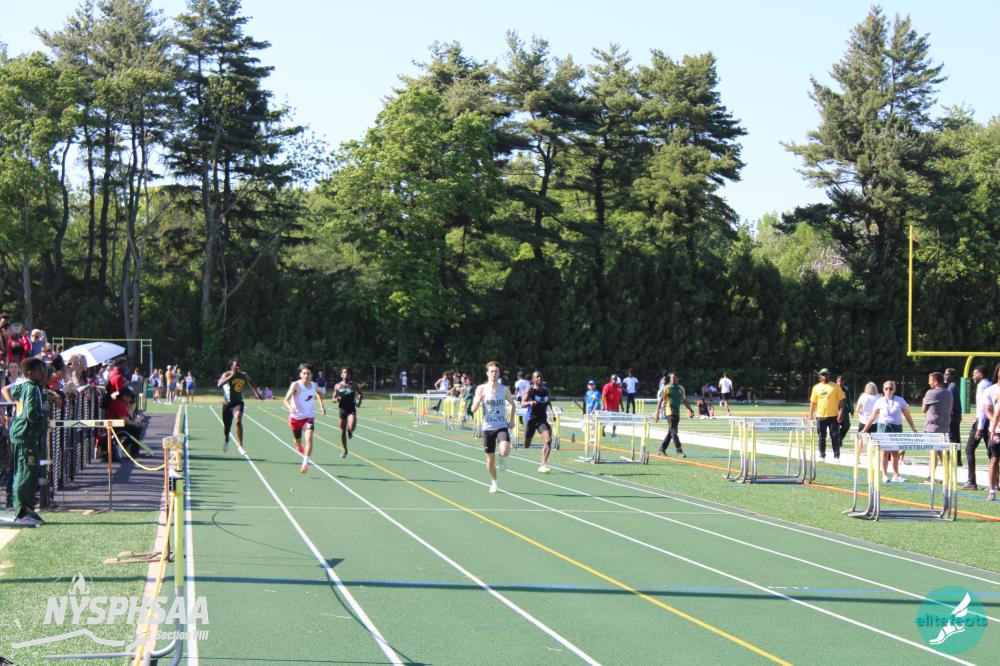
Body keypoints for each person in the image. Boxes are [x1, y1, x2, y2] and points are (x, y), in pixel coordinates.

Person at [9, 358, 47, 527]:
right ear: (30, 373)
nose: (43, 373)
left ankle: (24, 509)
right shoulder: (31, 388)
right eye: (40, 371)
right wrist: (43, 421)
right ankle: (22, 512)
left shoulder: (23, 386)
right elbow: (31, 414)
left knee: (23, 471)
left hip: (21, 433)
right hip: (25, 435)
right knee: (26, 473)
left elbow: (10, 392)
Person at [470, 361, 517, 493]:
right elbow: (473, 409)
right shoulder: (481, 389)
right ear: (487, 373)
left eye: (496, 371)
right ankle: (494, 481)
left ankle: (501, 458)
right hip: (488, 428)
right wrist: (479, 400)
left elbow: (513, 405)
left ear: (499, 373)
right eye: (491, 371)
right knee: (490, 461)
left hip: (501, 425)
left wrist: (512, 421)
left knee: (505, 450)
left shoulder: (504, 389)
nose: (494, 374)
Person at [861, 380, 917, 483]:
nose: (888, 390)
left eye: (891, 388)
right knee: (884, 453)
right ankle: (884, 475)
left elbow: (907, 415)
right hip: (883, 428)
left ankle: (896, 475)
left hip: (896, 427)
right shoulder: (879, 401)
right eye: (886, 388)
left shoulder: (900, 400)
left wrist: (913, 428)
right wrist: (865, 429)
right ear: (883, 390)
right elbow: (873, 416)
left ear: (894, 389)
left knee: (895, 453)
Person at [283, 364, 327, 473]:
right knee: (298, 441)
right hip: (296, 418)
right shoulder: (295, 385)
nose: (306, 375)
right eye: (304, 373)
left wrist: (322, 406)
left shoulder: (314, 385)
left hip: (308, 418)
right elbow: (285, 400)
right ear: (300, 374)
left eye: (308, 373)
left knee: (309, 439)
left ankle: (305, 463)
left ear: (312, 375)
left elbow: (318, 394)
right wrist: (290, 408)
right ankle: (298, 445)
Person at [217, 359, 262, 455]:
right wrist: (232, 376)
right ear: (231, 366)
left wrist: (256, 393)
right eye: (235, 365)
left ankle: (240, 446)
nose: (237, 367)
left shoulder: (243, 375)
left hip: (238, 402)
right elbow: (219, 384)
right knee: (227, 427)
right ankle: (227, 440)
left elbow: (251, 382)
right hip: (227, 403)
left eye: (238, 365)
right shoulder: (226, 374)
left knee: (238, 420)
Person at [807, 368, 846, 462]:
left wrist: (841, 411)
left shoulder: (835, 386)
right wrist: (810, 413)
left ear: (829, 375)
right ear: (820, 376)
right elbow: (813, 402)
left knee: (835, 436)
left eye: (826, 374)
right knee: (821, 436)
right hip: (820, 416)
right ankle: (822, 456)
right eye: (823, 375)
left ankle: (836, 456)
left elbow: (842, 400)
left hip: (833, 416)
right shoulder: (816, 387)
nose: (824, 376)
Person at [521, 370, 556, 474]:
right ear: (533, 379)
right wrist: (530, 402)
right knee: (526, 444)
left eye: (540, 377)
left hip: (542, 420)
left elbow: (548, 402)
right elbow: (522, 404)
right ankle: (527, 439)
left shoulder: (546, 391)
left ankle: (543, 465)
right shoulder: (530, 390)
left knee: (548, 440)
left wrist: (552, 413)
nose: (539, 378)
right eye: (537, 377)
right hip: (531, 419)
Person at [921, 371, 953, 483]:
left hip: (933, 427)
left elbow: (923, 409)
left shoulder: (931, 393)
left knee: (933, 453)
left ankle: (931, 476)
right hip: (945, 426)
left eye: (930, 380)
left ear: (935, 381)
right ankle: (948, 476)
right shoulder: (948, 392)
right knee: (943, 453)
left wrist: (924, 400)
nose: (929, 382)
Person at [964, 366, 992, 490]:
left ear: (980, 374)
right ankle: (995, 481)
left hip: (982, 421)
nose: (973, 376)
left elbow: (982, 408)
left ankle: (971, 481)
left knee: (969, 449)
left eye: (975, 374)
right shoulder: (990, 384)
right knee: (992, 452)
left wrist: (980, 427)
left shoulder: (981, 386)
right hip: (990, 421)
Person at [655, 372, 694, 457]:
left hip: (677, 413)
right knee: (673, 431)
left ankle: (662, 449)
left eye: (674, 378)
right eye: (671, 378)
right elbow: (660, 400)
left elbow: (684, 400)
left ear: (677, 378)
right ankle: (679, 451)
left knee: (671, 432)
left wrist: (690, 410)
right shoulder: (667, 388)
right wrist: (657, 413)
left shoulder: (681, 388)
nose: (672, 379)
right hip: (669, 412)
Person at [333, 367, 364, 458]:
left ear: (350, 375)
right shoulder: (338, 386)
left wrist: (359, 402)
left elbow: (361, 394)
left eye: (348, 373)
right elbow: (333, 399)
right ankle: (345, 450)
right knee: (342, 431)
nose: (346, 374)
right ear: (341, 375)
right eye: (344, 372)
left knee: (351, 427)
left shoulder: (353, 384)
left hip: (351, 409)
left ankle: (350, 430)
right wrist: (337, 399)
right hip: (342, 410)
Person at [943, 368, 964, 470]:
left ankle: (955, 459)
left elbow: (951, 403)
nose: (945, 376)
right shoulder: (953, 386)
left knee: (953, 438)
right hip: (955, 417)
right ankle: (957, 459)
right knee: (955, 438)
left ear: (952, 376)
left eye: (947, 374)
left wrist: (947, 413)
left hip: (952, 418)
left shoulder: (951, 387)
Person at [836, 375, 854, 448]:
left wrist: (851, 409)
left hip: (844, 411)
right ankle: (838, 441)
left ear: (844, 382)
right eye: (839, 381)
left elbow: (849, 399)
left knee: (847, 426)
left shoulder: (846, 389)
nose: (840, 383)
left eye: (841, 381)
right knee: (836, 427)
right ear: (836, 381)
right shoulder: (834, 389)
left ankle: (840, 438)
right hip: (835, 411)